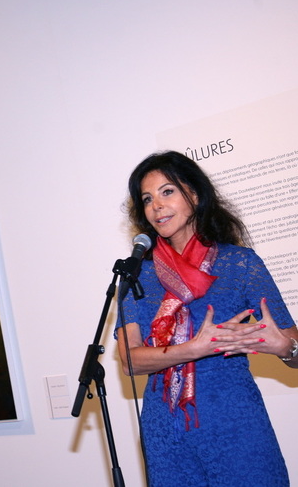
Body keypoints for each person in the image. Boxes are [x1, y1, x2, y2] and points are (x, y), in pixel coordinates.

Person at [116, 150, 298, 487]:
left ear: (195, 195)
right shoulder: (136, 277)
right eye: (147, 198)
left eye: (167, 191)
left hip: (235, 424)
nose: (156, 205)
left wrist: (285, 347)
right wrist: (196, 347)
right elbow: (129, 360)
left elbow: (295, 348)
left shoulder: (240, 264)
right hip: (165, 433)